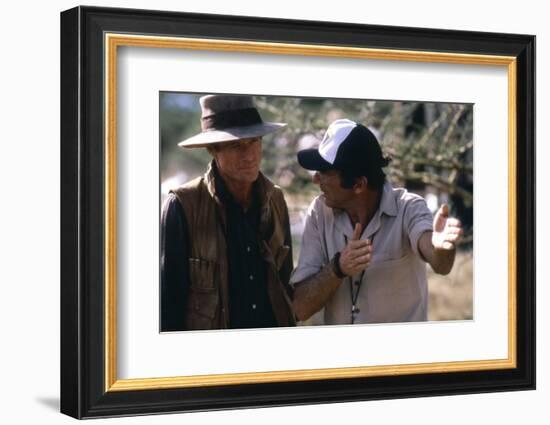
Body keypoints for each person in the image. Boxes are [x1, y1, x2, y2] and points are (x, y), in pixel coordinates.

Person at [291, 118, 463, 325]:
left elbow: (439, 262)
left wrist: (442, 247)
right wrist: (337, 268)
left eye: (325, 172)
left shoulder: (409, 208)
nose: (315, 179)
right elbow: (300, 308)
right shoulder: (319, 213)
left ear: (358, 184)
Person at [160, 95, 296, 331]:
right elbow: (169, 306)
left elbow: (284, 285)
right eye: (236, 145)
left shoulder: (274, 199)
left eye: (254, 141)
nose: (249, 155)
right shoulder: (182, 205)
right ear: (213, 149)